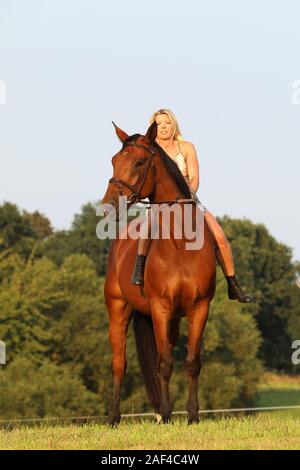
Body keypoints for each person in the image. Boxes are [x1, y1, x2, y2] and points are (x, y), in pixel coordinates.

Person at [131, 109, 252, 303]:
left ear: (174, 125)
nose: (163, 127)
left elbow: (194, 178)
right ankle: (139, 266)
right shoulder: (150, 149)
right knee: (147, 227)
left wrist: (187, 194)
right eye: (158, 123)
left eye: (167, 122)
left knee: (219, 236)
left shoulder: (186, 147)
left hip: (188, 200)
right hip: (160, 202)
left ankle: (233, 284)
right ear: (153, 127)